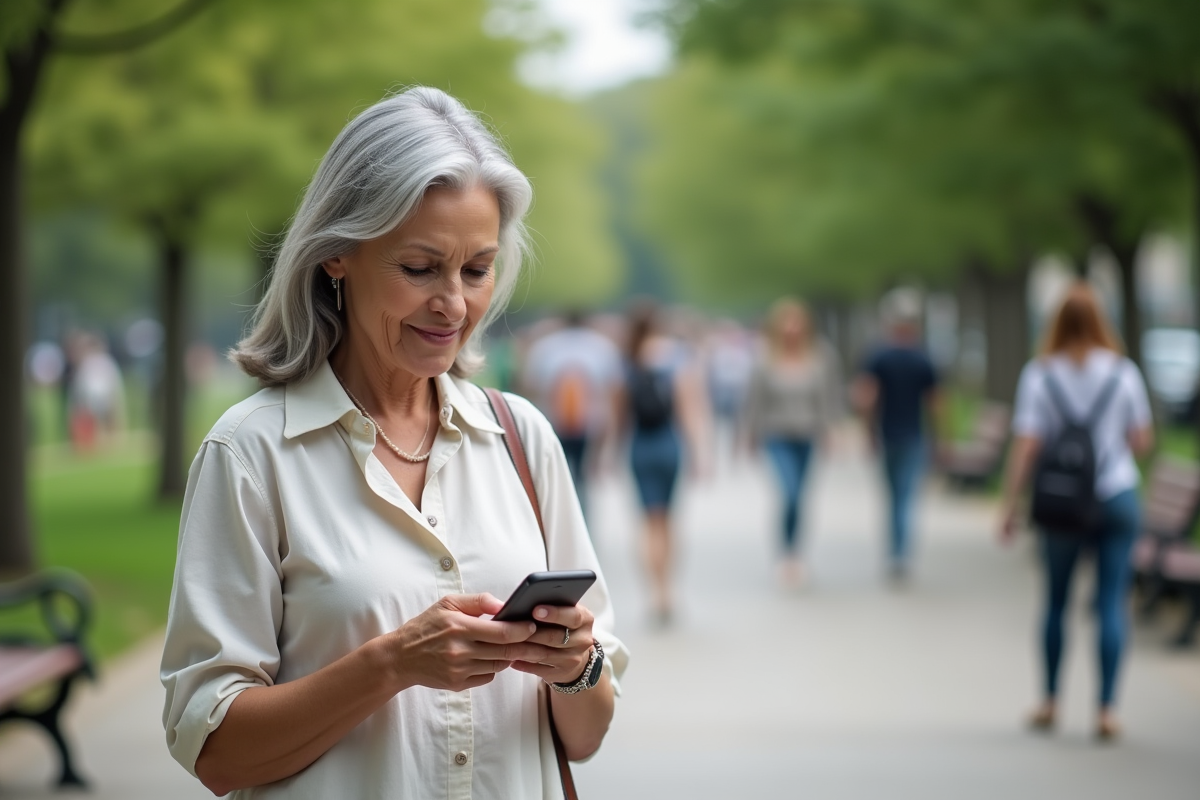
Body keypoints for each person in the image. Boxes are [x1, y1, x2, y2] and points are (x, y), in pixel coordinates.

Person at [160, 87, 628, 799]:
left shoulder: (521, 438)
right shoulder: (251, 453)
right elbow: (216, 752)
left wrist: (576, 664)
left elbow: (587, 737)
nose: (454, 304)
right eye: (420, 268)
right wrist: (392, 664)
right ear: (338, 255)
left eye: (476, 269)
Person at [998, 282, 1153, 741]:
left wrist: (1010, 504)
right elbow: (1141, 441)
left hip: (1061, 502)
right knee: (1111, 603)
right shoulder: (1123, 374)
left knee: (1056, 601)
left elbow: (1027, 446)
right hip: (1116, 495)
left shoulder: (1041, 374)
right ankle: (1106, 709)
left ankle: (1049, 699)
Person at [744, 298, 841, 586]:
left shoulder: (821, 357)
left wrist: (830, 431)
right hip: (777, 435)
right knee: (789, 493)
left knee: (801, 497)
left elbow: (828, 397)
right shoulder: (766, 359)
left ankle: (796, 552)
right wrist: (750, 434)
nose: (791, 329)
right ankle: (785, 553)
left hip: (807, 434)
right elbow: (755, 401)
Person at [620, 302, 706, 624]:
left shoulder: (627, 360)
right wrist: (699, 452)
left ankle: (654, 592)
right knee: (668, 521)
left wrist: (607, 453)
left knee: (648, 521)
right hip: (669, 444)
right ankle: (669, 589)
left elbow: (618, 416)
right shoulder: (677, 359)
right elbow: (689, 409)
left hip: (640, 446)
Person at [851, 289, 943, 580]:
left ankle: (895, 551)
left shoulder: (878, 355)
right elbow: (936, 403)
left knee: (893, 496)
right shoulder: (923, 357)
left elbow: (866, 398)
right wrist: (941, 439)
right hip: (914, 436)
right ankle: (901, 554)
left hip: (887, 434)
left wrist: (867, 431)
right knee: (906, 496)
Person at [521, 310, 623, 513]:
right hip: (590, 423)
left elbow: (529, 385)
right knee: (584, 477)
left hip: (553, 421)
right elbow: (613, 390)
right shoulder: (600, 346)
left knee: (556, 476)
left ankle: (558, 521)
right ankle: (583, 524)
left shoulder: (547, 346)